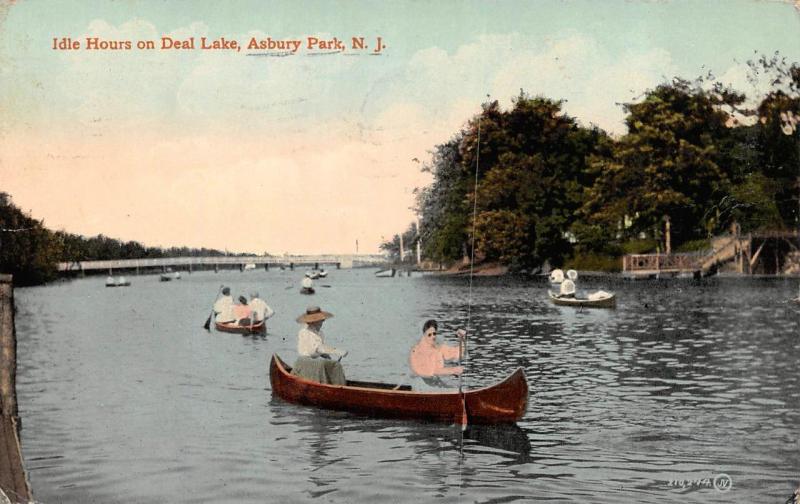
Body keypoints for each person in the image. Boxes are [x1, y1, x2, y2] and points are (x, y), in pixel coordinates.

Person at [292, 306, 347, 385]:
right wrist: (335, 351)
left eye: (322, 320)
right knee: (322, 364)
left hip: (315, 360)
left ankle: (339, 386)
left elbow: (321, 350)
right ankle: (325, 386)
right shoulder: (304, 332)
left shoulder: (320, 333)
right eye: (320, 320)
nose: (322, 321)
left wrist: (327, 356)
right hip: (305, 362)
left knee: (336, 364)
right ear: (313, 321)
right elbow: (318, 348)